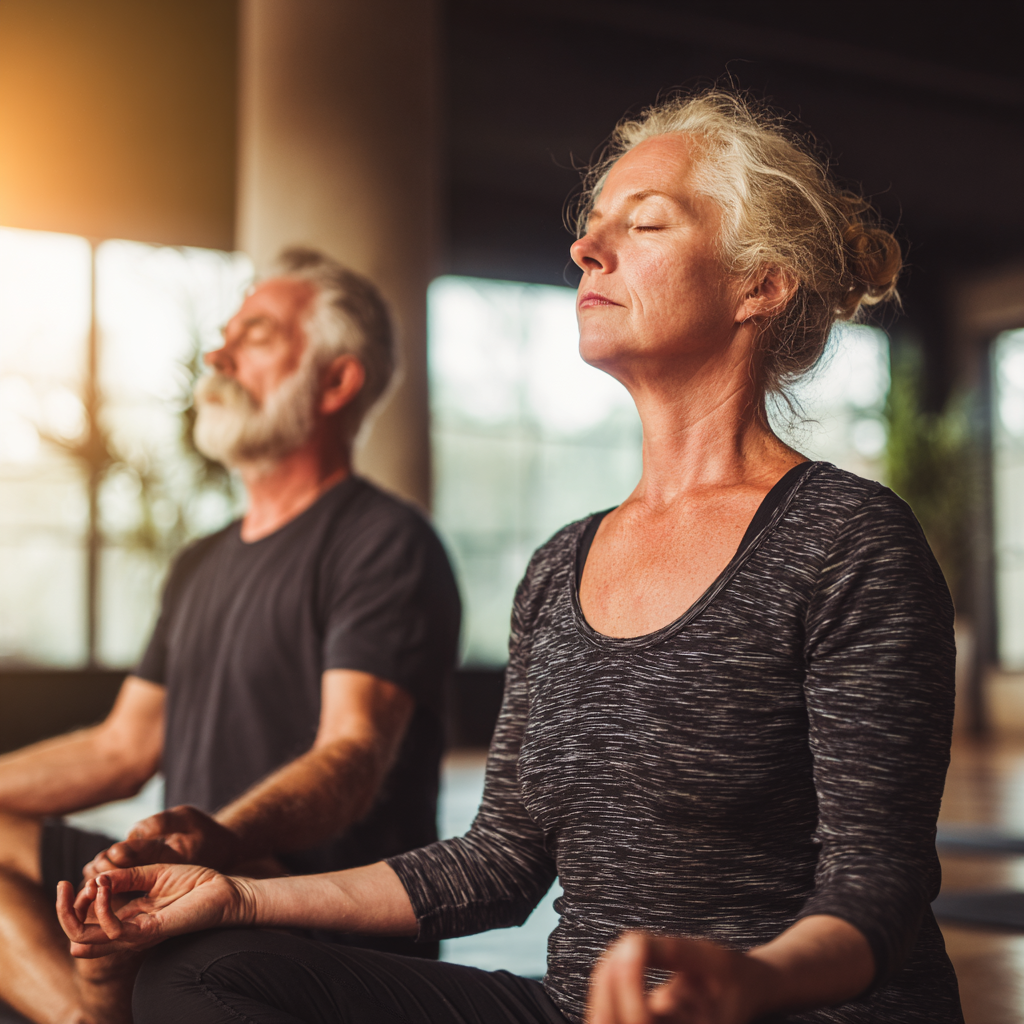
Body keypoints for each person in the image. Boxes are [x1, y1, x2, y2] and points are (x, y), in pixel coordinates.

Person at [60, 91, 962, 1024]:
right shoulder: (562, 564)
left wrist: (752, 981)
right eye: (591, 224)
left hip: (783, 1012)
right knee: (202, 970)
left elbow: (879, 886)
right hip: (578, 1010)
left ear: (759, 284)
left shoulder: (848, 542)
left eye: (644, 221)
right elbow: (500, 862)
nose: (587, 248)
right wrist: (238, 894)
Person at [0, 248, 460, 1024]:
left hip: (298, 903)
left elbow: (350, 756)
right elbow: (121, 749)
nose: (217, 354)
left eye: (256, 333)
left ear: (336, 381)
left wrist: (215, 840)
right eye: (224, 334)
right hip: (182, 880)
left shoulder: (386, 542)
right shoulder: (200, 562)